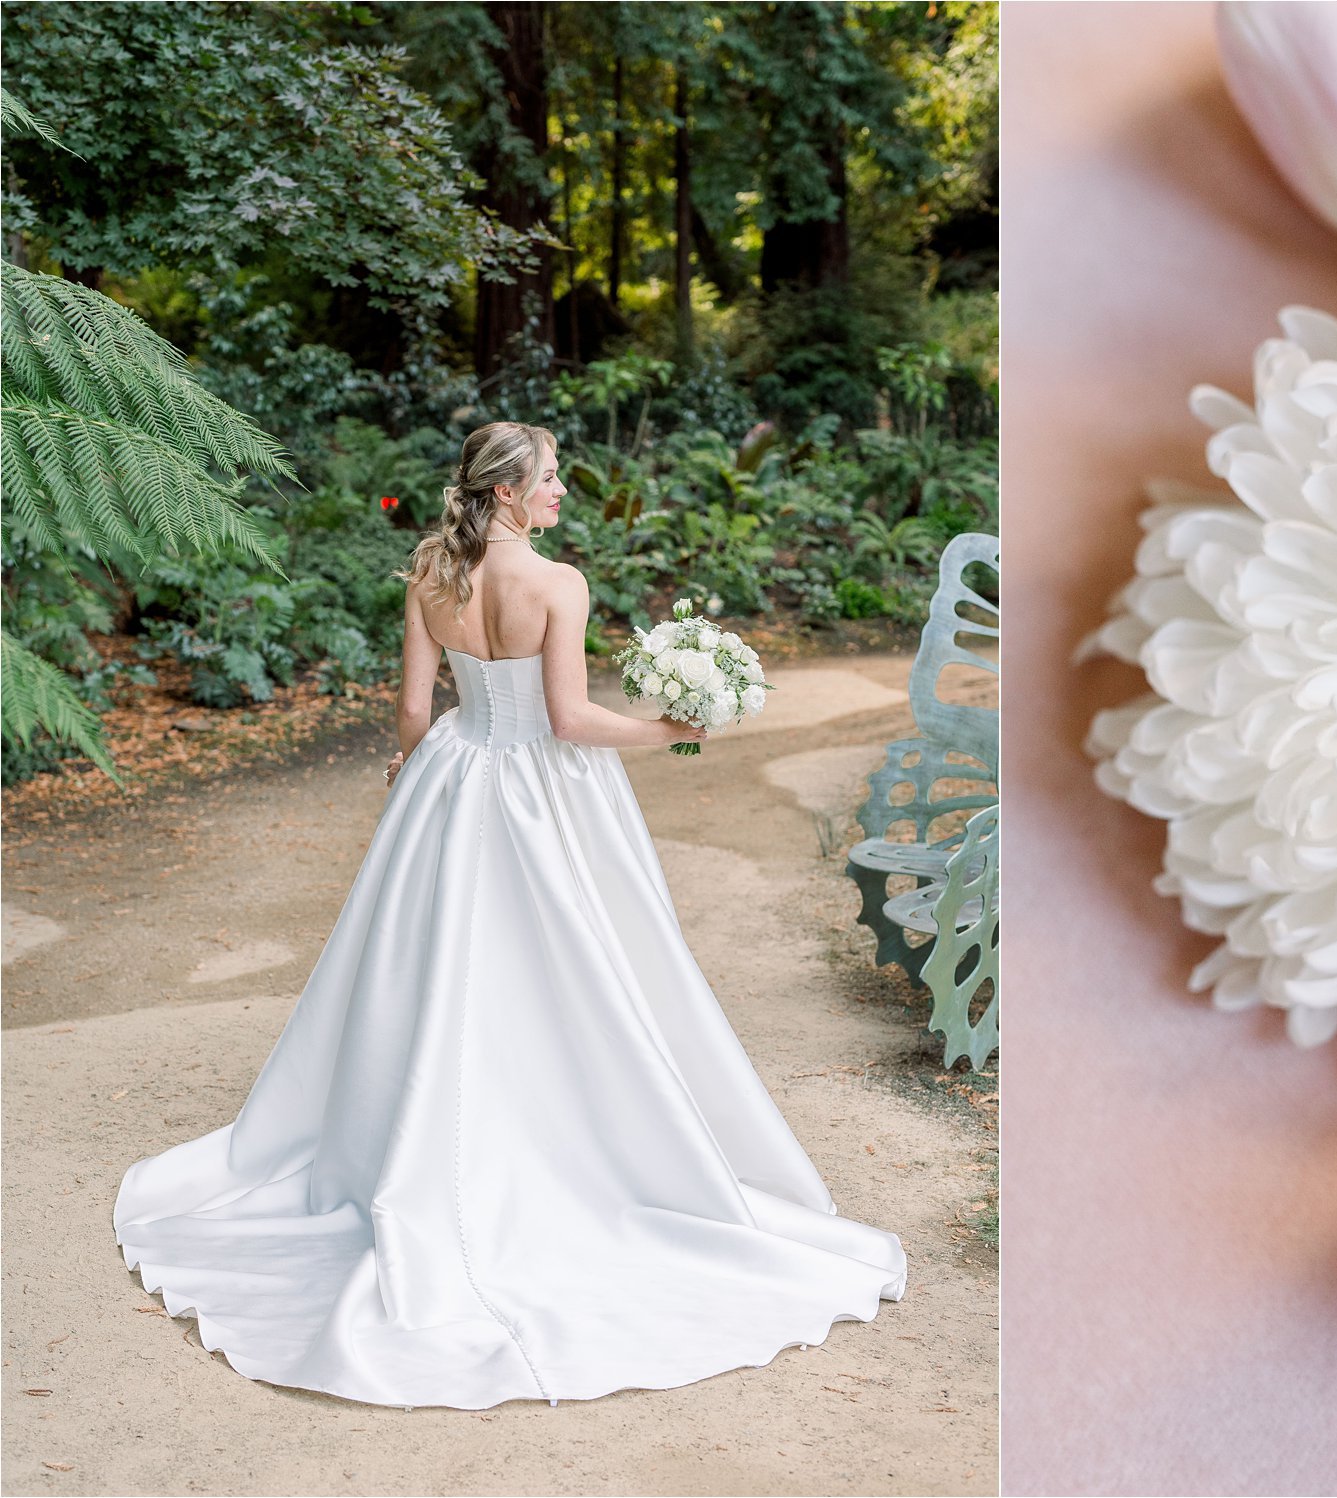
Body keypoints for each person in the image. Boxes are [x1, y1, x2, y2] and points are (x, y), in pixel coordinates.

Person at [112, 421, 907, 1410]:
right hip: (546, 792)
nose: (563, 490)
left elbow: (412, 710)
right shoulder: (558, 585)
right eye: (549, 478)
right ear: (505, 494)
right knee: (576, 965)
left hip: (453, 779)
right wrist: (672, 735)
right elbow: (570, 720)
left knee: (436, 971)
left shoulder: (427, 578)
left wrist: (408, 771)